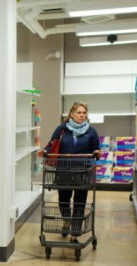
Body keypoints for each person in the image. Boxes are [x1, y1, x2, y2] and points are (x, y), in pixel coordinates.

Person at [37, 102, 101, 243]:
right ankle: (66, 220)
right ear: (71, 114)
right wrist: (45, 151)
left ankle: (75, 234)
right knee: (64, 200)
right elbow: (52, 144)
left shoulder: (91, 131)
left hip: (83, 171)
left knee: (80, 202)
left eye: (84, 113)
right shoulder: (62, 130)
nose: (82, 115)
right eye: (79, 112)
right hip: (64, 170)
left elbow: (96, 148)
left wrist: (97, 152)